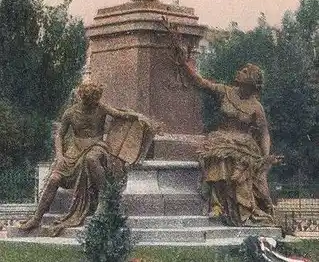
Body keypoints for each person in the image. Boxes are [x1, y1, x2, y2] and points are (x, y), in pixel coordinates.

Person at [20, 81, 153, 235]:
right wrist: (60, 154)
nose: (93, 104)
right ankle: (37, 218)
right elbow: (59, 135)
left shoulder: (100, 107)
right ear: (82, 98)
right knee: (54, 179)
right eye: (90, 102)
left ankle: (104, 196)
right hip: (73, 151)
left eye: (95, 101)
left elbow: (119, 114)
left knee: (91, 159)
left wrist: (138, 116)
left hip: (97, 146)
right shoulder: (70, 113)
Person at [175, 48, 277, 226]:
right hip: (222, 138)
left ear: (252, 81)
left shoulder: (256, 107)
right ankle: (217, 205)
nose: (240, 72)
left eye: (245, 72)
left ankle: (240, 208)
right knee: (218, 154)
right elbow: (201, 82)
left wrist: (265, 155)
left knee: (238, 164)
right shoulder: (225, 91)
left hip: (244, 144)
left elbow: (264, 132)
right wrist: (186, 64)